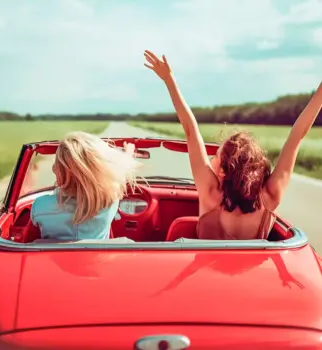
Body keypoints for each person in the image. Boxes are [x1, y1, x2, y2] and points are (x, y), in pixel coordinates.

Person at [144, 49, 322, 240]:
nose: (211, 158)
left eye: (216, 155)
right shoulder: (270, 196)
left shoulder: (210, 193)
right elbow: (297, 136)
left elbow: (189, 128)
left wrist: (169, 80)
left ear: (222, 170)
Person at [30, 132, 140, 241]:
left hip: (53, 259)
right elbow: (120, 175)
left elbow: (29, 237)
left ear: (59, 171)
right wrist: (128, 154)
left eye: (57, 164)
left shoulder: (40, 205)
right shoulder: (110, 201)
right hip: (97, 258)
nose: (54, 168)